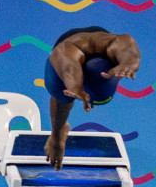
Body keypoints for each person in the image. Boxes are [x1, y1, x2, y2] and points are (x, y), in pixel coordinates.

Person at [43, 27, 142, 169]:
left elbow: (127, 43)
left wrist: (129, 63)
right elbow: (68, 68)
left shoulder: (111, 49)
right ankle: (58, 135)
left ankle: (93, 88)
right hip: (66, 53)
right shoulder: (63, 57)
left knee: (119, 65)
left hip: (103, 50)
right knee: (62, 95)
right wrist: (76, 87)